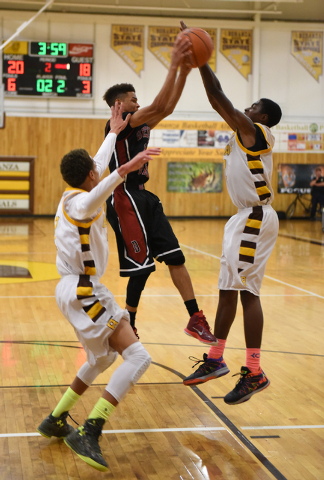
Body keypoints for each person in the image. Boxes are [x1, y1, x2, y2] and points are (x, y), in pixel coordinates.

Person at [37, 103, 161, 472]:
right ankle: (90, 429)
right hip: (86, 293)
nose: (100, 169)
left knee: (102, 359)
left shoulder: (69, 195)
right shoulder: (83, 203)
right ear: (91, 176)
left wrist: (112, 130)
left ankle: (56, 419)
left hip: (73, 290)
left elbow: (96, 163)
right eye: (98, 170)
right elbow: (101, 185)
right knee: (138, 358)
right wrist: (125, 168)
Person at [180, 21, 282, 405]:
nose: (247, 108)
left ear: (263, 117)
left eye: (254, 106)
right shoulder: (245, 134)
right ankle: (216, 359)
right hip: (242, 218)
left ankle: (254, 371)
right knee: (227, 290)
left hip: (256, 217)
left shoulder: (257, 131)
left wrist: (201, 60)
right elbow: (222, 102)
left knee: (247, 294)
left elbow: (219, 99)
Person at [102, 34, 217, 345]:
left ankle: (195, 317)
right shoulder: (118, 125)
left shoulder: (138, 121)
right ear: (119, 104)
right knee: (141, 269)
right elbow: (160, 104)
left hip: (145, 197)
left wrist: (186, 70)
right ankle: (129, 325)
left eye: (138, 99)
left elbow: (166, 106)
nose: (137, 102)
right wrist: (176, 64)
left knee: (175, 257)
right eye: (132, 98)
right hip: (124, 197)